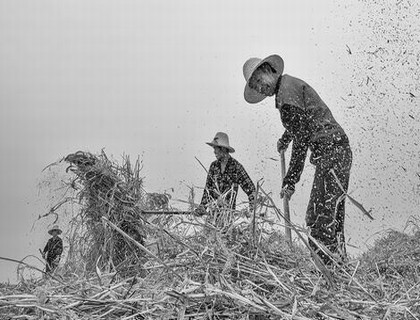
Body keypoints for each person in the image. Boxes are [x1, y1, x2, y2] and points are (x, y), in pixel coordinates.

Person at [242, 55, 352, 265]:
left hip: (331, 151)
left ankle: (326, 275)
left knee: (318, 218)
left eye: (259, 80)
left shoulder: (286, 98)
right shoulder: (290, 87)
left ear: (269, 71)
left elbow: (301, 138)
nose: (259, 88)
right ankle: (341, 271)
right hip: (339, 149)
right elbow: (302, 123)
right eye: (255, 85)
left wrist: (290, 180)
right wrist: (285, 138)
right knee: (333, 219)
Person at [196, 132, 256, 216]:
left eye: (216, 149)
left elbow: (251, 190)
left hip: (228, 217)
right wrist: (202, 207)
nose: (214, 152)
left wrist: (252, 211)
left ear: (223, 149)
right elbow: (208, 190)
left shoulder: (236, 167)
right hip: (212, 216)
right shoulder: (213, 167)